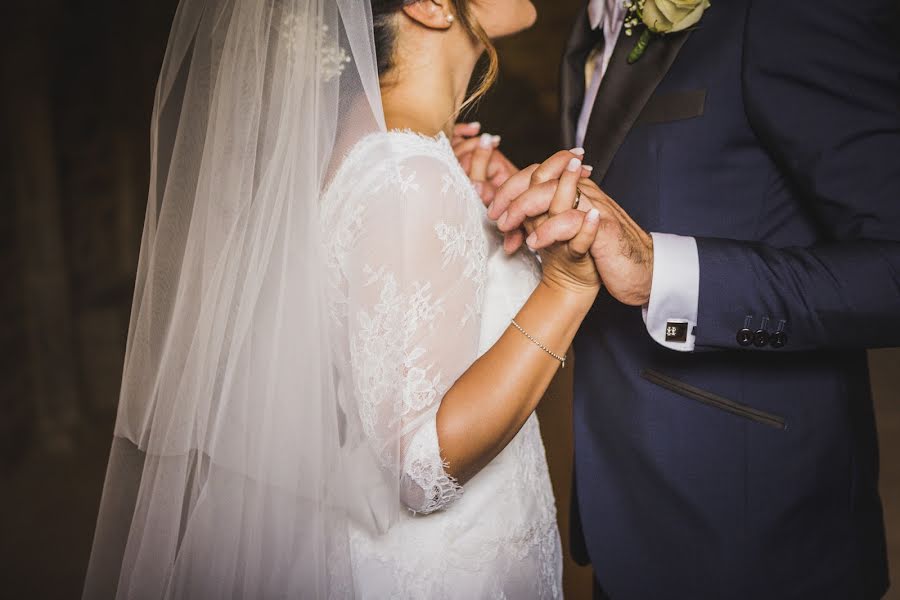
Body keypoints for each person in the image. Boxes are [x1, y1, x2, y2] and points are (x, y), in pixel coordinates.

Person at [83, 0, 603, 598]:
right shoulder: (410, 177)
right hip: (444, 570)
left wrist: (475, 206)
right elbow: (423, 467)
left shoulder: (372, 142)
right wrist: (566, 288)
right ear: (432, 6)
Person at [458, 0, 900, 597]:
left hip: (753, 531)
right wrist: (533, 213)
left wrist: (659, 270)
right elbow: (621, 206)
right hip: (626, 511)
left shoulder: (789, 14)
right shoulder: (590, 25)